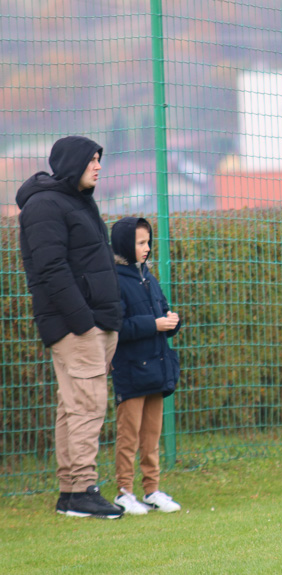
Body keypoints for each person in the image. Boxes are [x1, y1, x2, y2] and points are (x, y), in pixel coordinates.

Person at [16, 136, 124, 518]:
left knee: (74, 406)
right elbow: (50, 269)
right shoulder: (44, 205)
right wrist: (83, 322)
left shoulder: (79, 200)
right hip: (77, 326)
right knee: (87, 406)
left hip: (97, 322)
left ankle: (71, 492)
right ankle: (82, 490)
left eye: (99, 159)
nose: (98, 166)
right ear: (72, 162)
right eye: (92, 160)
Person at [110, 217, 183, 514]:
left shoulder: (149, 277)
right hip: (130, 370)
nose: (147, 248)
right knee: (129, 435)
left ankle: (152, 489)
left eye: (148, 242)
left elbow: (162, 311)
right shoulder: (115, 280)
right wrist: (154, 324)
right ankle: (124, 491)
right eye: (141, 243)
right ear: (126, 244)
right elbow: (118, 327)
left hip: (156, 368)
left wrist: (173, 321)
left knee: (152, 435)